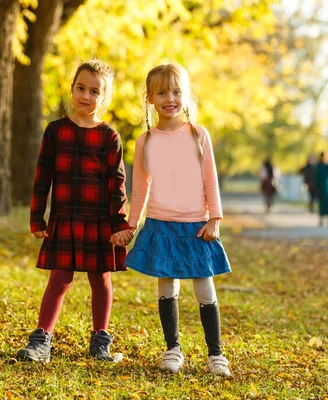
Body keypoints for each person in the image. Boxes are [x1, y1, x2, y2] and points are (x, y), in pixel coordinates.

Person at [15, 60, 133, 363]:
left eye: (94, 91)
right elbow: (43, 177)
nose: (86, 96)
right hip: (64, 217)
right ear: (72, 89)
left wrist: (120, 223)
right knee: (60, 278)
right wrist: (36, 216)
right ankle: (41, 340)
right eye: (81, 88)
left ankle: (100, 341)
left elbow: (117, 184)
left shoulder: (110, 137)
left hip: (99, 221)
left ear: (104, 98)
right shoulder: (56, 132)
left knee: (101, 279)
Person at [121, 63, 232, 377]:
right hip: (160, 224)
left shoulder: (198, 135)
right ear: (150, 98)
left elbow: (210, 179)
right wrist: (132, 224)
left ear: (186, 96)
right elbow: (141, 187)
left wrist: (215, 218)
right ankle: (173, 349)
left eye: (176, 91)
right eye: (162, 92)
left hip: (197, 226)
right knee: (166, 288)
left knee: (204, 289)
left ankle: (215, 354)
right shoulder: (145, 142)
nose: (169, 98)